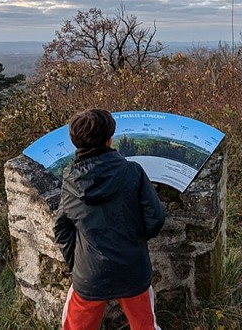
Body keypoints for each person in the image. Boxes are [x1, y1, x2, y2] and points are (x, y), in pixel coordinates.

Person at [54, 108, 166, 330]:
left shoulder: (70, 181)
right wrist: (135, 241)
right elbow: (156, 218)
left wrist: (77, 264)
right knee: (145, 326)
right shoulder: (133, 171)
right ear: (109, 139)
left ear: (76, 143)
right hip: (133, 268)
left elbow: (62, 229)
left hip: (90, 274)